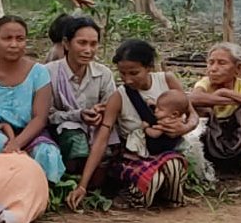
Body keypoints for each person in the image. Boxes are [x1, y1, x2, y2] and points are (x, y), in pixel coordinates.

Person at [66, 40, 199, 210]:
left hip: (168, 152)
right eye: (122, 74)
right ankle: (148, 191)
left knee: (172, 165)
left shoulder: (167, 80)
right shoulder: (119, 97)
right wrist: (82, 185)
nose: (127, 79)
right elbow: (102, 138)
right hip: (135, 157)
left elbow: (191, 113)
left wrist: (185, 127)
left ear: (149, 67)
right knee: (158, 176)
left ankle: (157, 193)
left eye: (134, 73)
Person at [0, 15, 66, 183]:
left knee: (47, 153)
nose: (14, 44)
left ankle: (39, 195)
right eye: (7, 38)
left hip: (30, 133)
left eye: (20, 39)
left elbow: (40, 118)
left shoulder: (39, 73)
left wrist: (17, 143)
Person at [45, 17, 117, 175]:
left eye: (93, 44)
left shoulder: (103, 74)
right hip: (59, 134)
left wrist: (101, 112)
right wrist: (78, 116)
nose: (88, 50)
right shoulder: (49, 73)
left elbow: (111, 107)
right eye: (82, 43)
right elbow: (46, 115)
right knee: (72, 131)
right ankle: (71, 175)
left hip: (96, 130)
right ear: (66, 43)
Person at [189, 42, 241, 177]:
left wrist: (226, 93)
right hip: (210, 135)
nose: (213, 68)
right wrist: (227, 99)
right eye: (211, 63)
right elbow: (193, 98)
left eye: (221, 63)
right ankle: (205, 160)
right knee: (201, 109)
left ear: (237, 69)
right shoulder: (205, 83)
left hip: (235, 133)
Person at [144, 89, 191, 155]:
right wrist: (154, 104)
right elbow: (165, 108)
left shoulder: (166, 122)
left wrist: (146, 128)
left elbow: (155, 134)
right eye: (156, 107)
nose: (156, 110)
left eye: (160, 109)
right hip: (177, 143)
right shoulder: (179, 118)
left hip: (163, 149)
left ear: (174, 114)